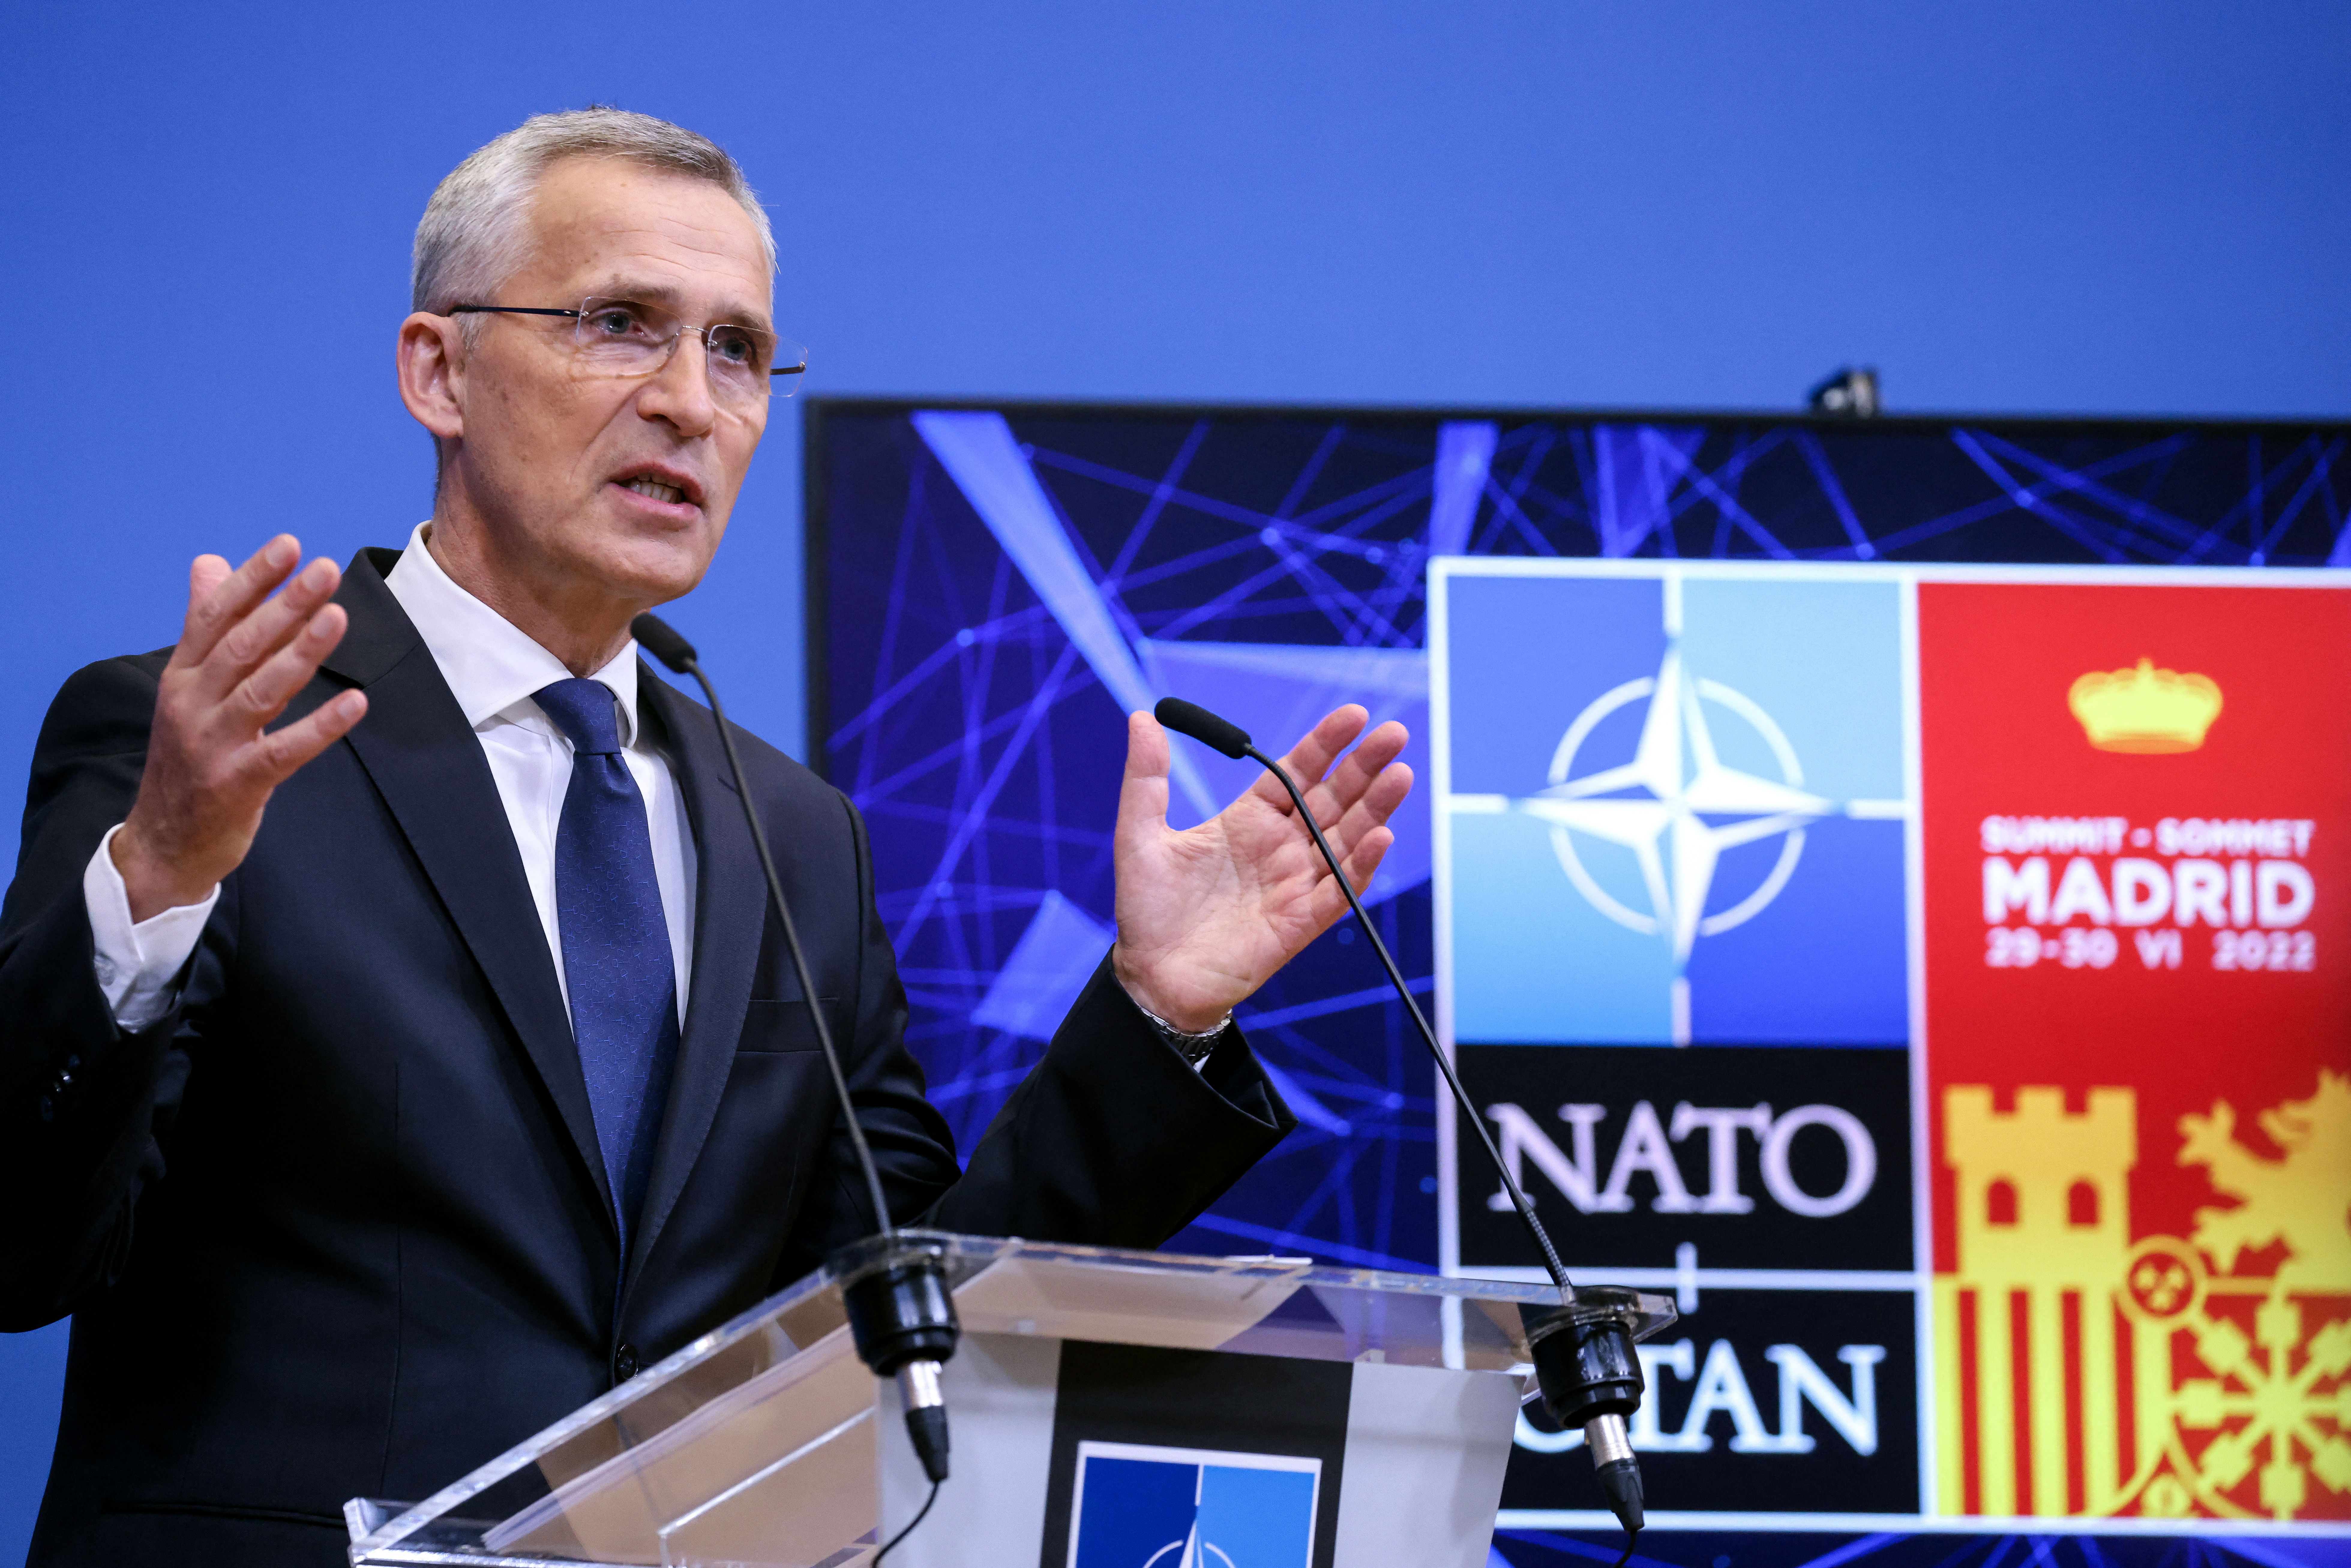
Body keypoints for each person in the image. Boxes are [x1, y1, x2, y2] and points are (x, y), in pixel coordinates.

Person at [0, 110, 1412, 1567]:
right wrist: (159, 875)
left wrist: (1158, 1015)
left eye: (736, 349)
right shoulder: (216, 750)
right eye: (622, 324)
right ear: (440, 370)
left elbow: (908, 1313)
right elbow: (18, 1240)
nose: (691, 400)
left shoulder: (795, 835)